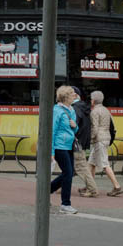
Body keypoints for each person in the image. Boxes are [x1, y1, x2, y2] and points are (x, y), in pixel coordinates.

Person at [49, 85, 79, 214]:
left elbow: (74, 129)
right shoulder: (57, 110)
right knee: (68, 173)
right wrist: (51, 152)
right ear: (65, 96)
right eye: (72, 94)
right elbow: (52, 131)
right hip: (59, 146)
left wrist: (75, 126)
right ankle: (65, 204)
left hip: (69, 145)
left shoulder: (71, 110)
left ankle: (45, 191)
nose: (75, 96)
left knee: (69, 172)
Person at [89, 90, 123, 196]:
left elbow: (94, 128)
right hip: (106, 138)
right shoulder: (106, 110)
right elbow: (112, 125)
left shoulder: (94, 112)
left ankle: (116, 186)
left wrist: (90, 139)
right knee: (91, 163)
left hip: (99, 139)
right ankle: (90, 186)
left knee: (104, 164)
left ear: (93, 100)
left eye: (91, 98)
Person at [71, 87, 99, 198]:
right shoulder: (83, 107)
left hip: (76, 141)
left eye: (70, 94)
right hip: (82, 141)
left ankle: (92, 190)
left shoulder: (76, 108)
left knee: (80, 166)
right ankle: (58, 186)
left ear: (76, 96)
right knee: (70, 166)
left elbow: (74, 125)